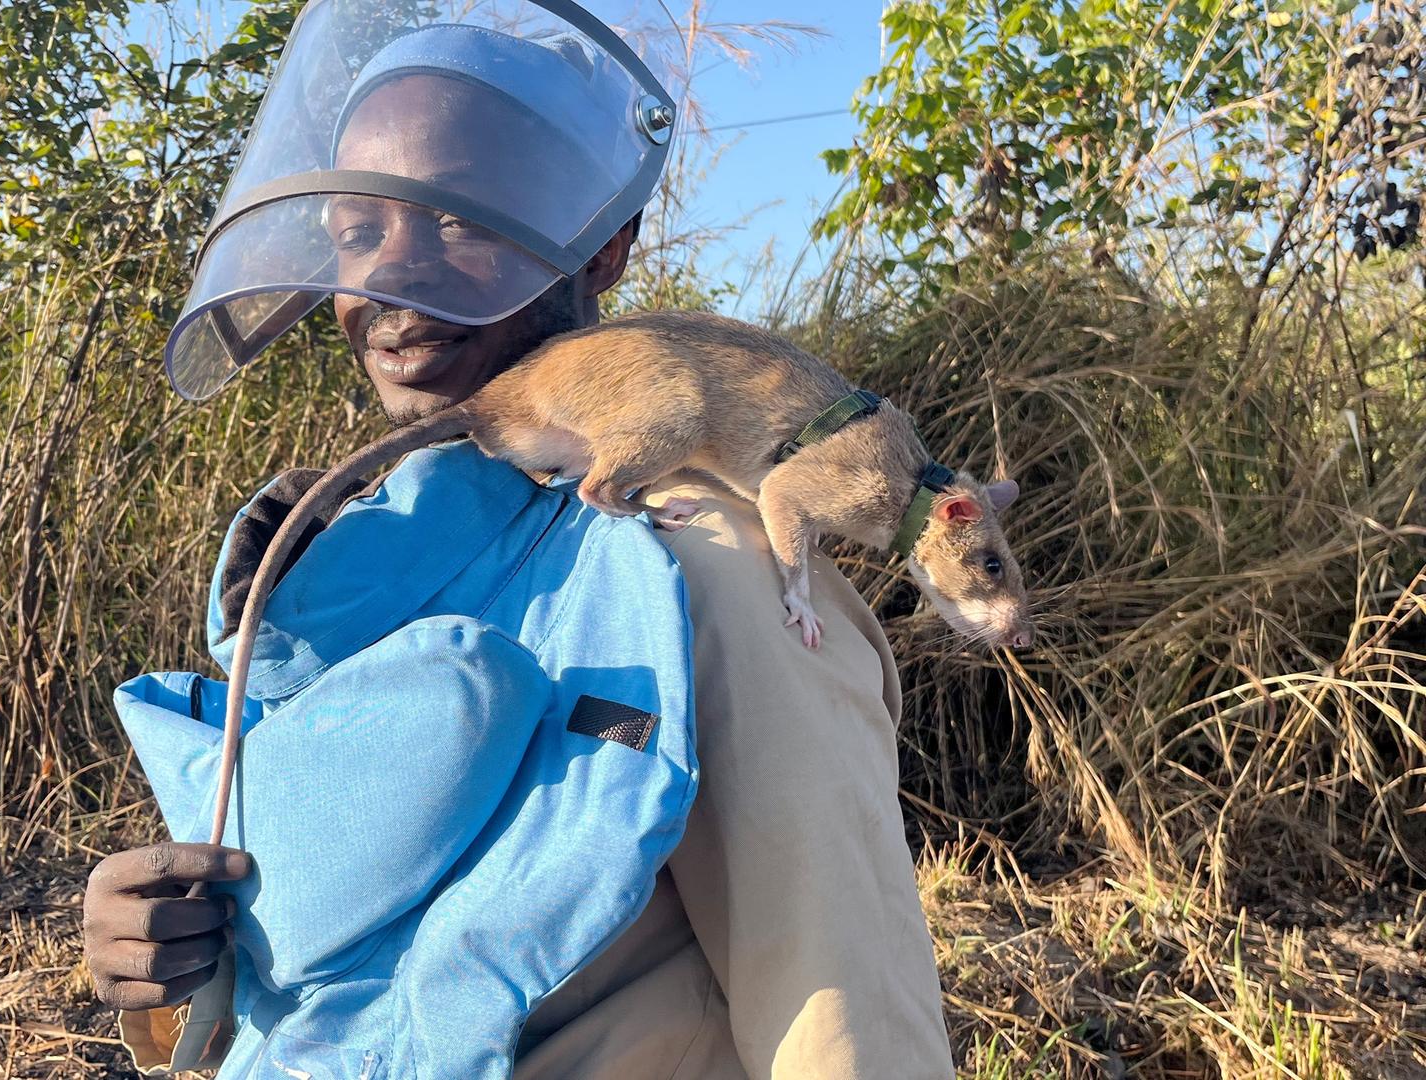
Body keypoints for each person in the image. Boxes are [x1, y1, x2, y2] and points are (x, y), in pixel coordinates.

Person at [82, 3, 955, 1076]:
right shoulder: (377, 551)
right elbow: (334, 954)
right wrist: (166, 954)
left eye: (464, 220)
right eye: (360, 232)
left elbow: (844, 1009)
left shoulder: (706, 574)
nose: (393, 282)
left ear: (606, 247)